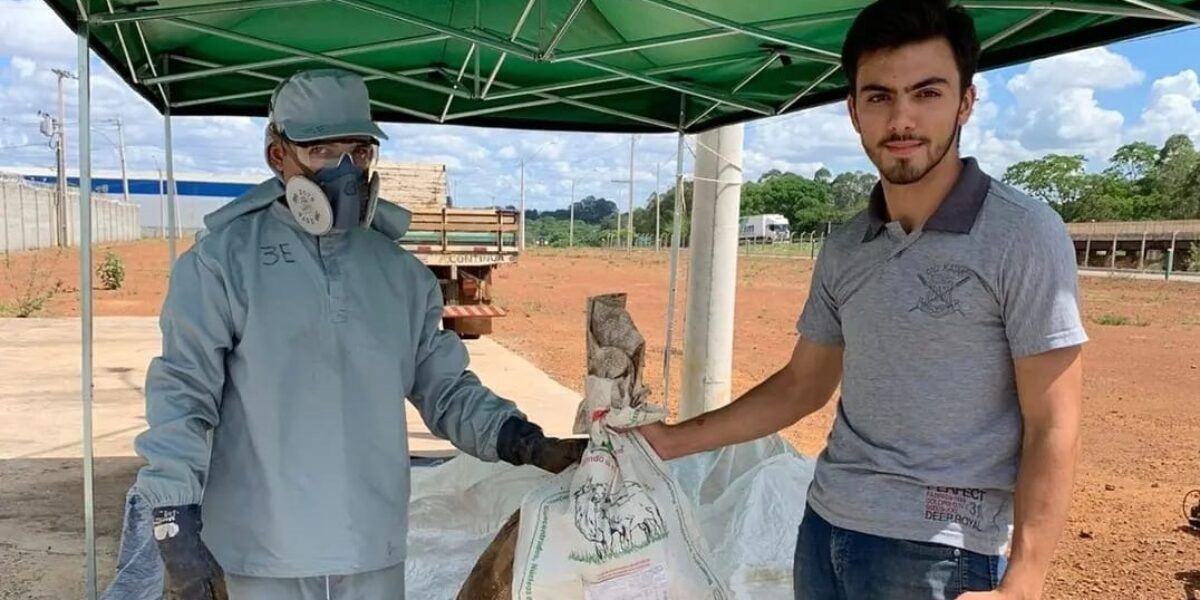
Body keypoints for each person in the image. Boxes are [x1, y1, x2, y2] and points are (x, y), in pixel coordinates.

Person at [638, 1, 1087, 598]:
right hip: (825, 530)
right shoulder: (847, 246)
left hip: (939, 553)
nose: (901, 119)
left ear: (965, 102)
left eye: (927, 93)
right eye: (879, 97)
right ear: (853, 111)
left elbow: (1054, 419)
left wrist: (1025, 581)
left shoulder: (1022, 233)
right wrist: (671, 439)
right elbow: (804, 385)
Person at [132, 68, 587, 600]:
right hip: (257, 549)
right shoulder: (220, 265)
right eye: (322, 150)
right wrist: (173, 520)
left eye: (359, 150)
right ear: (278, 156)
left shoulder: (400, 275)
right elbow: (183, 397)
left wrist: (522, 440)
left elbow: (444, 388)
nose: (346, 171)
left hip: (369, 545)